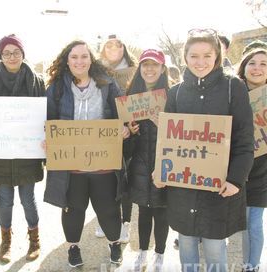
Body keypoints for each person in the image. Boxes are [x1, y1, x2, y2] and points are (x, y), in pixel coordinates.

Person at [156, 29, 254, 272]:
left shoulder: (234, 87)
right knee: (186, 243)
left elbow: (244, 140)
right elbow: (166, 140)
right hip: (183, 186)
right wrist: (160, 171)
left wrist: (235, 180)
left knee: (214, 247)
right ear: (185, 58)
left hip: (218, 187)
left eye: (207, 56)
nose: (200, 62)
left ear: (217, 56)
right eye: (194, 56)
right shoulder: (176, 92)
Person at [44, 40, 130, 268]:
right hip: (71, 167)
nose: (79, 61)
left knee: (109, 209)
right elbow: (47, 121)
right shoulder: (56, 89)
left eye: (84, 56)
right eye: (74, 57)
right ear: (67, 60)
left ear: (91, 60)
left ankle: (114, 243)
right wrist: (47, 139)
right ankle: (73, 247)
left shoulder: (108, 85)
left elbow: (124, 116)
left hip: (103, 164)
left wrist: (124, 128)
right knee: (73, 210)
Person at [0, 34, 45, 263]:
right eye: (7, 53)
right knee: (4, 200)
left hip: (27, 152)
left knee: (28, 199)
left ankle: (34, 240)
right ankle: (6, 241)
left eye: (16, 52)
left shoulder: (36, 81)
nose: (11, 57)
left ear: (23, 54)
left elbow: (44, 115)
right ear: (0, 55)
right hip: (1, 153)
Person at [126, 49, 170, 272]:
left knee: (162, 211)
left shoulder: (174, 96)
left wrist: (166, 125)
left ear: (163, 69)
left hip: (165, 163)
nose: (150, 69)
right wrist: (130, 132)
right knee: (143, 211)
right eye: (145, 65)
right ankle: (142, 251)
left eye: (155, 65)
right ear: (140, 69)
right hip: (141, 164)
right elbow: (124, 143)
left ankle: (160, 254)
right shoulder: (131, 97)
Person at [95, 34, 137, 243]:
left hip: (127, 134)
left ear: (124, 48)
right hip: (102, 133)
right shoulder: (95, 71)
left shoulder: (134, 70)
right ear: (103, 49)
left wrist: (130, 126)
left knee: (125, 180)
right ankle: (106, 219)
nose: (113, 48)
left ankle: (125, 223)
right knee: (105, 179)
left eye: (117, 45)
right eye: (108, 45)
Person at [237, 48, 267, 272]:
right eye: (252, 63)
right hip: (237, 169)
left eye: (263, 64)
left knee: (254, 223)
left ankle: (251, 266)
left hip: (263, 172)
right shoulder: (231, 93)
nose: (257, 68)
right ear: (244, 67)